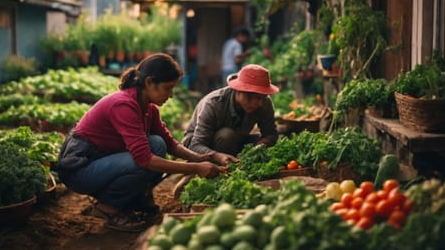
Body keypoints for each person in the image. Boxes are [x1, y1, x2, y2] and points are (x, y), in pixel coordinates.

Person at [56, 53, 226, 232]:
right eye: (167, 88)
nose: (171, 95)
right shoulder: (124, 105)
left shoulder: (148, 108)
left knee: (157, 143)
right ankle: (107, 207)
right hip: (79, 169)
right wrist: (195, 168)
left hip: (102, 161)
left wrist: (199, 158)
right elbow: (144, 160)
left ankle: (134, 199)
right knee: (141, 162)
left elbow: (169, 144)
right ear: (149, 83)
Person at [182, 64, 280, 160]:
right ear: (240, 91)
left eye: (263, 98)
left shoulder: (264, 102)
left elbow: (270, 134)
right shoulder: (214, 104)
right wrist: (218, 156)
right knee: (227, 136)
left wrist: (257, 148)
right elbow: (196, 145)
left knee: (267, 141)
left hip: (236, 139)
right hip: (199, 144)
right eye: (256, 98)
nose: (260, 104)